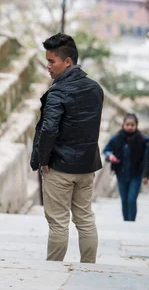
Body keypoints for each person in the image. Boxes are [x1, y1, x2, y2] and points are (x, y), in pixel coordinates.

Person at [30, 33, 104, 264]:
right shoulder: (95, 89)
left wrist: (43, 160)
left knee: (58, 222)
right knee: (85, 218)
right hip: (86, 166)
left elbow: (49, 130)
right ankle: (89, 267)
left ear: (68, 61)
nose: (48, 66)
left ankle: (53, 269)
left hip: (60, 167)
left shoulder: (58, 92)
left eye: (52, 61)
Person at [103, 114, 149, 221]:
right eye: (127, 124)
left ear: (136, 125)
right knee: (124, 200)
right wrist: (110, 155)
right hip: (121, 173)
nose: (129, 127)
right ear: (123, 125)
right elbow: (106, 149)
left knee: (131, 199)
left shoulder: (143, 139)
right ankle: (126, 221)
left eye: (132, 125)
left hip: (136, 174)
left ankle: (131, 221)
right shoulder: (116, 138)